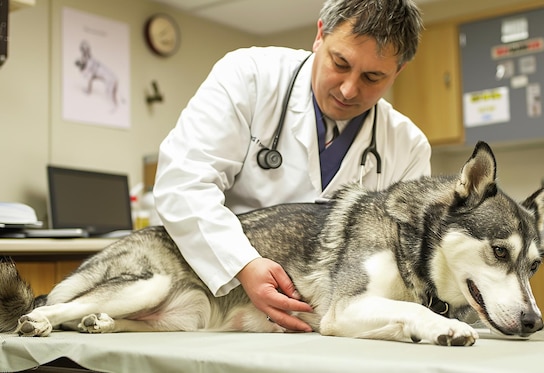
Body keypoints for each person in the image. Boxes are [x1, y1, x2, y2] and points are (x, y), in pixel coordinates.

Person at [153, 0, 431, 333]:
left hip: (335, 324)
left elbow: (407, 258)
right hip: (220, 301)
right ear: (319, 36)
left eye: (373, 77)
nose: (348, 89)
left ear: (397, 71)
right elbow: (183, 182)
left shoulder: (408, 146)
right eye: (340, 63)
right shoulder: (249, 76)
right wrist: (242, 264)